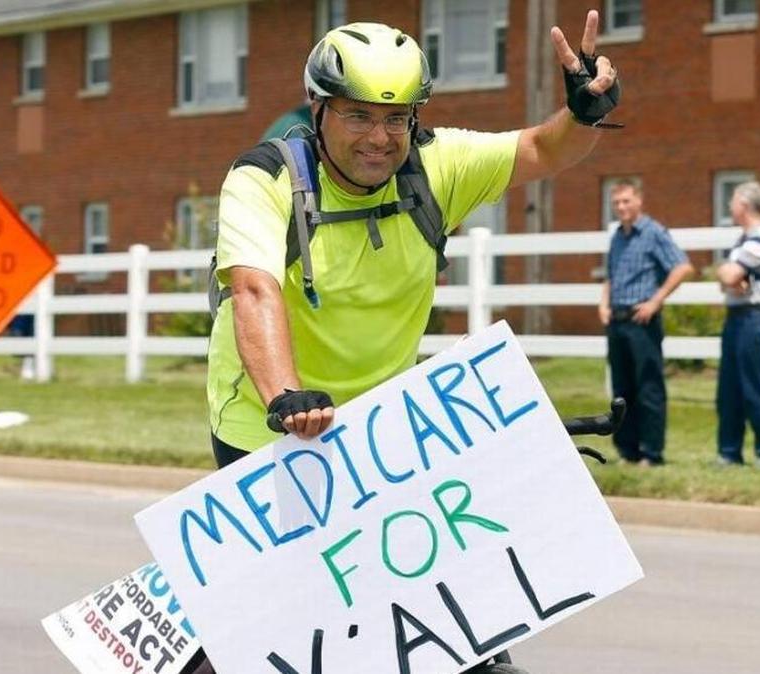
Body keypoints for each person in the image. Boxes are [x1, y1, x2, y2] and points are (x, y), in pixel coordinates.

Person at [195, 13, 622, 674]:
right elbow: (253, 290)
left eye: (397, 118)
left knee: (444, 613)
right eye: (359, 116)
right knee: (283, 622)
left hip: (381, 432)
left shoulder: (435, 166)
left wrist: (584, 113)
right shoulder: (264, 178)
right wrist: (284, 395)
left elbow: (544, 149)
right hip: (267, 425)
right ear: (318, 108)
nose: (380, 137)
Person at [598, 180, 694, 466]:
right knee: (621, 389)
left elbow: (682, 267)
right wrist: (603, 304)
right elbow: (611, 275)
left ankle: (652, 452)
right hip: (617, 321)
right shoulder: (617, 236)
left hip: (642, 323)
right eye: (616, 203)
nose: (621, 207)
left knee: (648, 387)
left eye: (626, 201)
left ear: (639, 200)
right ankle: (627, 451)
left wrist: (656, 301)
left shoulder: (653, 232)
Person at [714, 181, 760, 468]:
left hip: (754, 318)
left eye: (732, 201)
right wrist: (729, 275)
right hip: (736, 317)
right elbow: (725, 277)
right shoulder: (743, 240)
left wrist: (731, 275)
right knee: (729, 389)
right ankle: (729, 452)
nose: (730, 207)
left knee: (757, 386)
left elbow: (729, 276)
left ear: (744, 204)